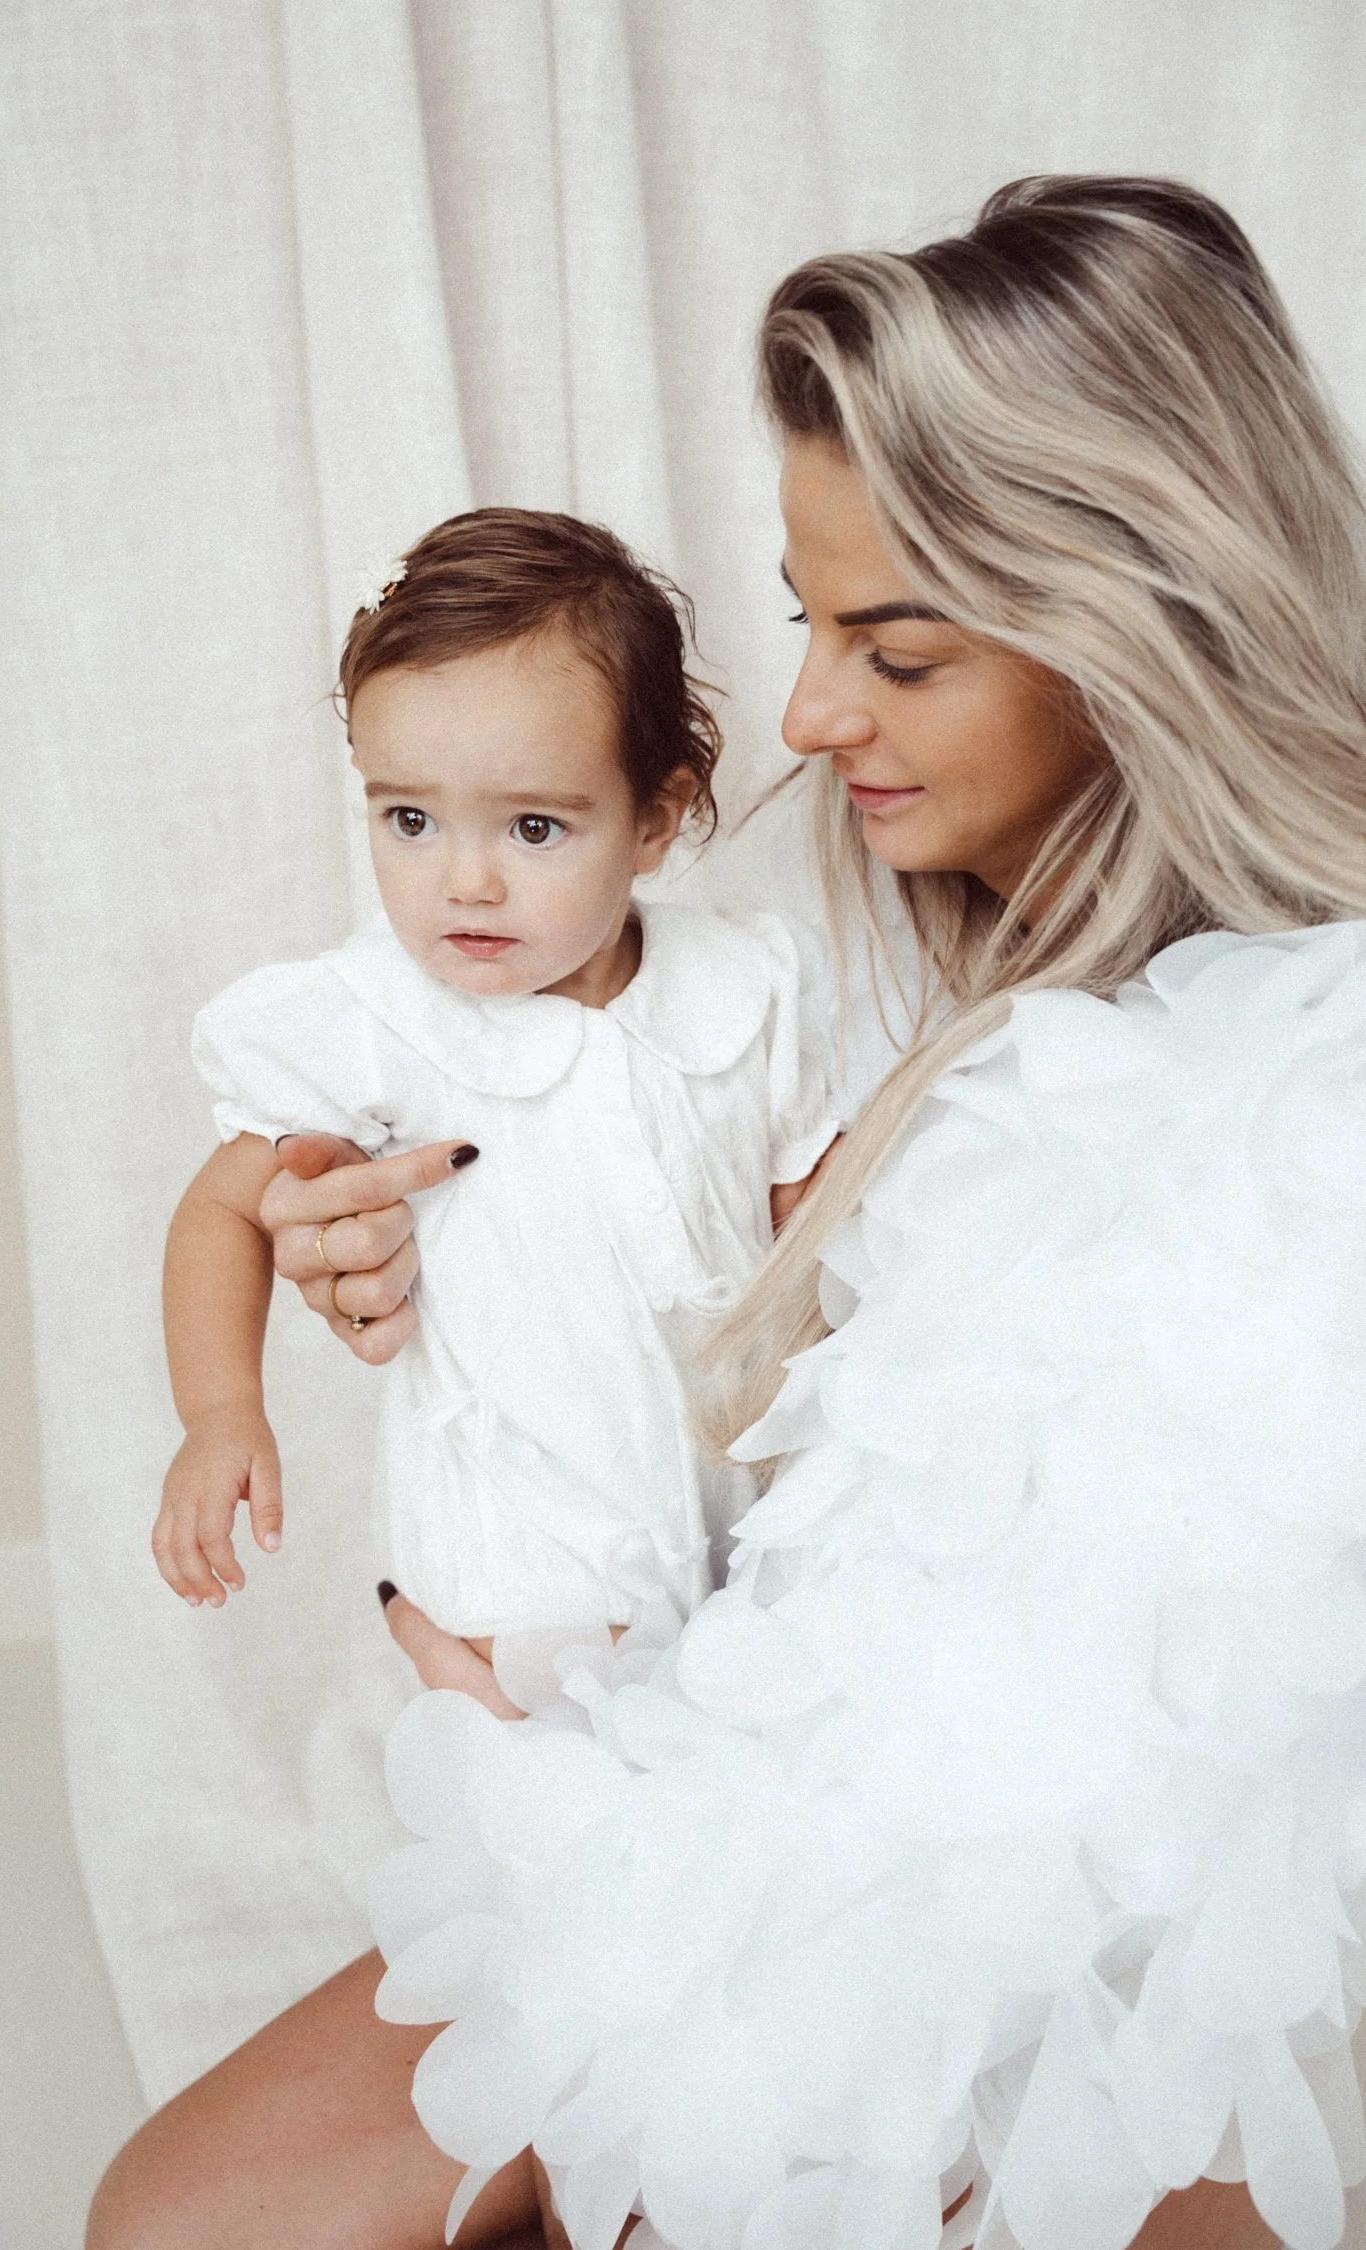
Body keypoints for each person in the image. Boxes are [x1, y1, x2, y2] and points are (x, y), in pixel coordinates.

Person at [88, 174, 1366, 2250]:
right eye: (805, 619)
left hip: (1125, 1921)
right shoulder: (792, 908)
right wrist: (398, 1248)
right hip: (744, 1787)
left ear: (1137, 616)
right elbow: (596, 1227)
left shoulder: (1317, 1058)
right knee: (183, 2225)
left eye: (900, 648)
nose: (810, 714)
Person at [154, 507, 839, 1708]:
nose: (463, 880)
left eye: (533, 827)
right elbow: (221, 1212)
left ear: (657, 819)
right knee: (553, 1843)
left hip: (751, 1534)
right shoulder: (372, 1018)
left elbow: (817, 1236)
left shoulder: (746, 987)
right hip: (515, 1565)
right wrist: (221, 1416)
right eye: (408, 819)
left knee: (737, 1827)